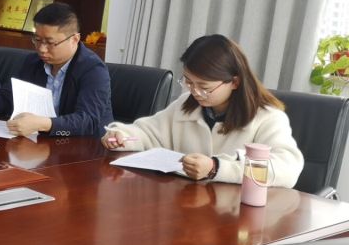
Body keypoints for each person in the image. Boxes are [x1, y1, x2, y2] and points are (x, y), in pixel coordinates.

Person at [102, 34, 304, 186]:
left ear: (234, 82)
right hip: (190, 205)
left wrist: (216, 168)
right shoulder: (186, 105)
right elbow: (149, 133)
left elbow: (287, 169)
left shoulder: (268, 118)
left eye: (204, 87)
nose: (195, 92)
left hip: (237, 214)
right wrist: (122, 136)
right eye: (189, 82)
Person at [0, 2, 112, 137]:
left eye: (50, 42)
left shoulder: (93, 70)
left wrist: (45, 124)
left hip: (83, 148)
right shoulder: (33, 61)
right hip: (39, 143)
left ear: (74, 39)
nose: (42, 49)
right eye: (37, 40)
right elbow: (10, 95)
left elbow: (88, 121)